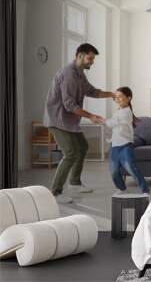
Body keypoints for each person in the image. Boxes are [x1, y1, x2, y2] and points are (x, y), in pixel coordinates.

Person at [44, 43, 115, 204]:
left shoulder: (80, 74)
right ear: (80, 56)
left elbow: (92, 91)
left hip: (69, 121)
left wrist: (111, 94)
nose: (92, 62)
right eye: (90, 58)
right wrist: (90, 115)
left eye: (93, 59)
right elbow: (69, 104)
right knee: (70, 153)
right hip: (57, 120)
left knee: (82, 147)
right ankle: (55, 192)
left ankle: (75, 183)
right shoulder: (68, 74)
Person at [104, 87, 149, 195]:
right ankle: (122, 189)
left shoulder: (126, 112)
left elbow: (112, 123)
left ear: (128, 98)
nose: (117, 99)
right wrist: (110, 139)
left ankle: (145, 190)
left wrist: (100, 119)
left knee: (131, 168)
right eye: (116, 97)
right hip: (115, 145)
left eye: (120, 97)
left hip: (125, 145)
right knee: (113, 170)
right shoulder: (118, 111)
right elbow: (115, 128)